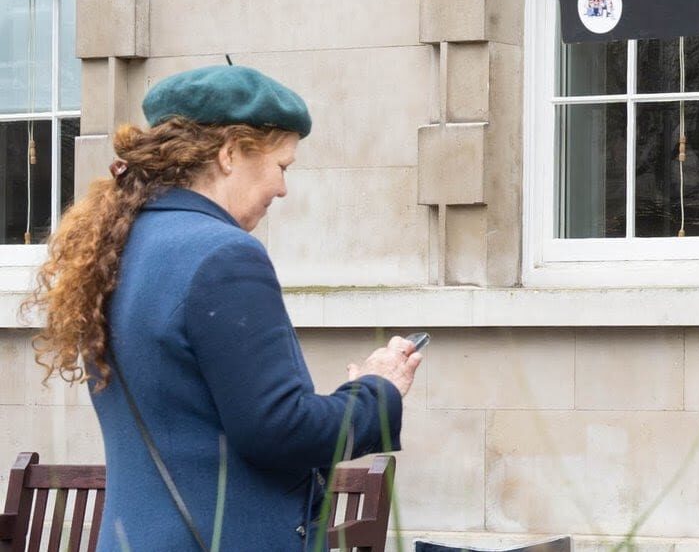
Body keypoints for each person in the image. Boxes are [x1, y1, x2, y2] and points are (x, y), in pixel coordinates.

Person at [28, 65, 419, 551]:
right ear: (231, 152)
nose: (283, 189)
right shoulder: (223, 255)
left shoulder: (117, 244)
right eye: (282, 166)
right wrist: (378, 391)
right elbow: (282, 432)